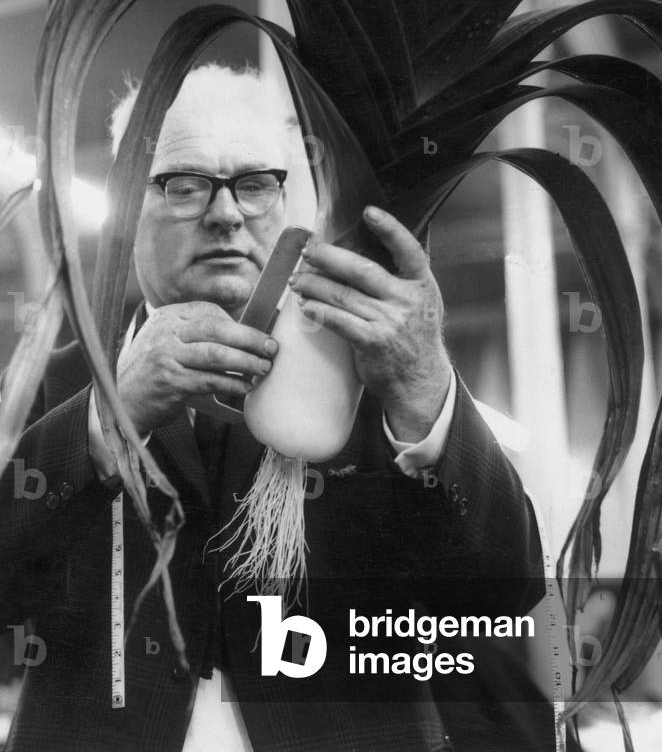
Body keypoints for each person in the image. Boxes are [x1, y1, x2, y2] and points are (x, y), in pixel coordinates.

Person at [0, 62, 547, 751]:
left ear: (287, 205)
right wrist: (108, 420)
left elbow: (502, 592)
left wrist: (423, 382)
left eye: (256, 183)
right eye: (185, 182)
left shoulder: (369, 371)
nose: (225, 211)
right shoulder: (56, 384)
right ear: (125, 205)